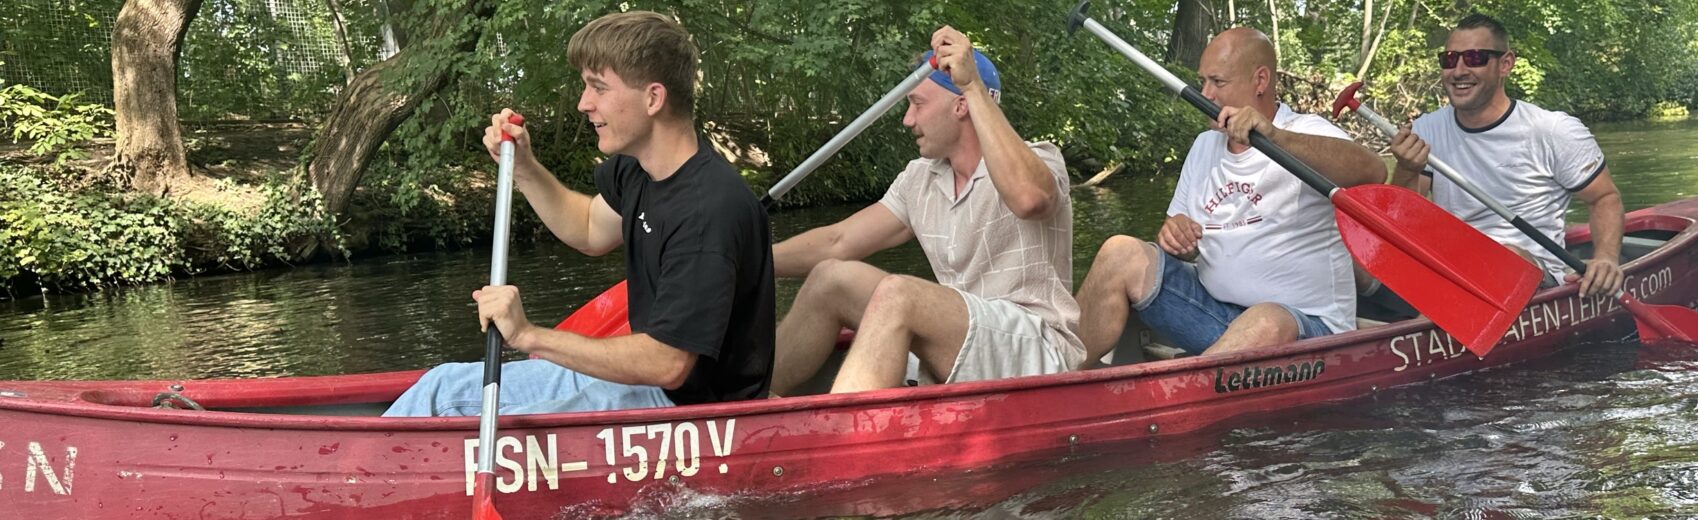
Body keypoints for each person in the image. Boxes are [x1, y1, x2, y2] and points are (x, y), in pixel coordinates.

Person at [384, 11, 775, 417]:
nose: (583, 103)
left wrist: (529, 335)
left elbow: (668, 363)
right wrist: (524, 167)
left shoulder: (708, 211)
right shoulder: (638, 168)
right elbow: (589, 228)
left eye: (598, 87)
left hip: (688, 409)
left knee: (465, 416)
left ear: (653, 98)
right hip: (642, 381)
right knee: (441, 388)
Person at [769, 26, 1081, 394]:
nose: (908, 120)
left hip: (1038, 351)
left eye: (917, 104)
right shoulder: (920, 178)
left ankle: (840, 441)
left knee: (899, 294)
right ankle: (744, 412)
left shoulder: (1040, 159)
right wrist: (741, 260)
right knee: (829, 278)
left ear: (961, 104)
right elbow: (838, 241)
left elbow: (1031, 199)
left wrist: (972, 85)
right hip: (959, 342)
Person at [1076, 27, 1385, 364]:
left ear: (1260, 81)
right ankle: (1053, 383)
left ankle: (1184, 399)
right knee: (1119, 252)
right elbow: (1179, 241)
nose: (1205, 93)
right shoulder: (1203, 145)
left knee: (1267, 319)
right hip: (1215, 319)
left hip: (1307, 332)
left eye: (1218, 82)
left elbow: (1373, 171)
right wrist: (1176, 237)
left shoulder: (1304, 132)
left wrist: (1275, 137)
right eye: (1202, 81)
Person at [1383, 13, 1625, 298]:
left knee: (1500, 256)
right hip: (1451, 271)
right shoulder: (1426, 130)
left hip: (1530, 274)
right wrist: (1406, 169)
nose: (1458, 70)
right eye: (1449, 59)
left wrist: (1607, 259)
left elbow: (1604, 198)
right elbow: (1399, 222)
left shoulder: (1553, 130)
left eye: (1474, 58)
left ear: (1506, 64)